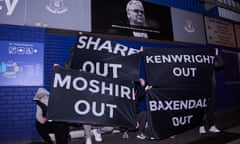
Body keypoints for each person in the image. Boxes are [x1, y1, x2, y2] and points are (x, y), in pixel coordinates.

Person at [199, 48, 224, 134]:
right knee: (202, 108)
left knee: (211, 108)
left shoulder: (211, 62)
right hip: (202, 89)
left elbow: (220, 64)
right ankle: (201, 126)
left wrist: (217, 55)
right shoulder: (199, 63)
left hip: (212, 89)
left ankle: (212, 126)